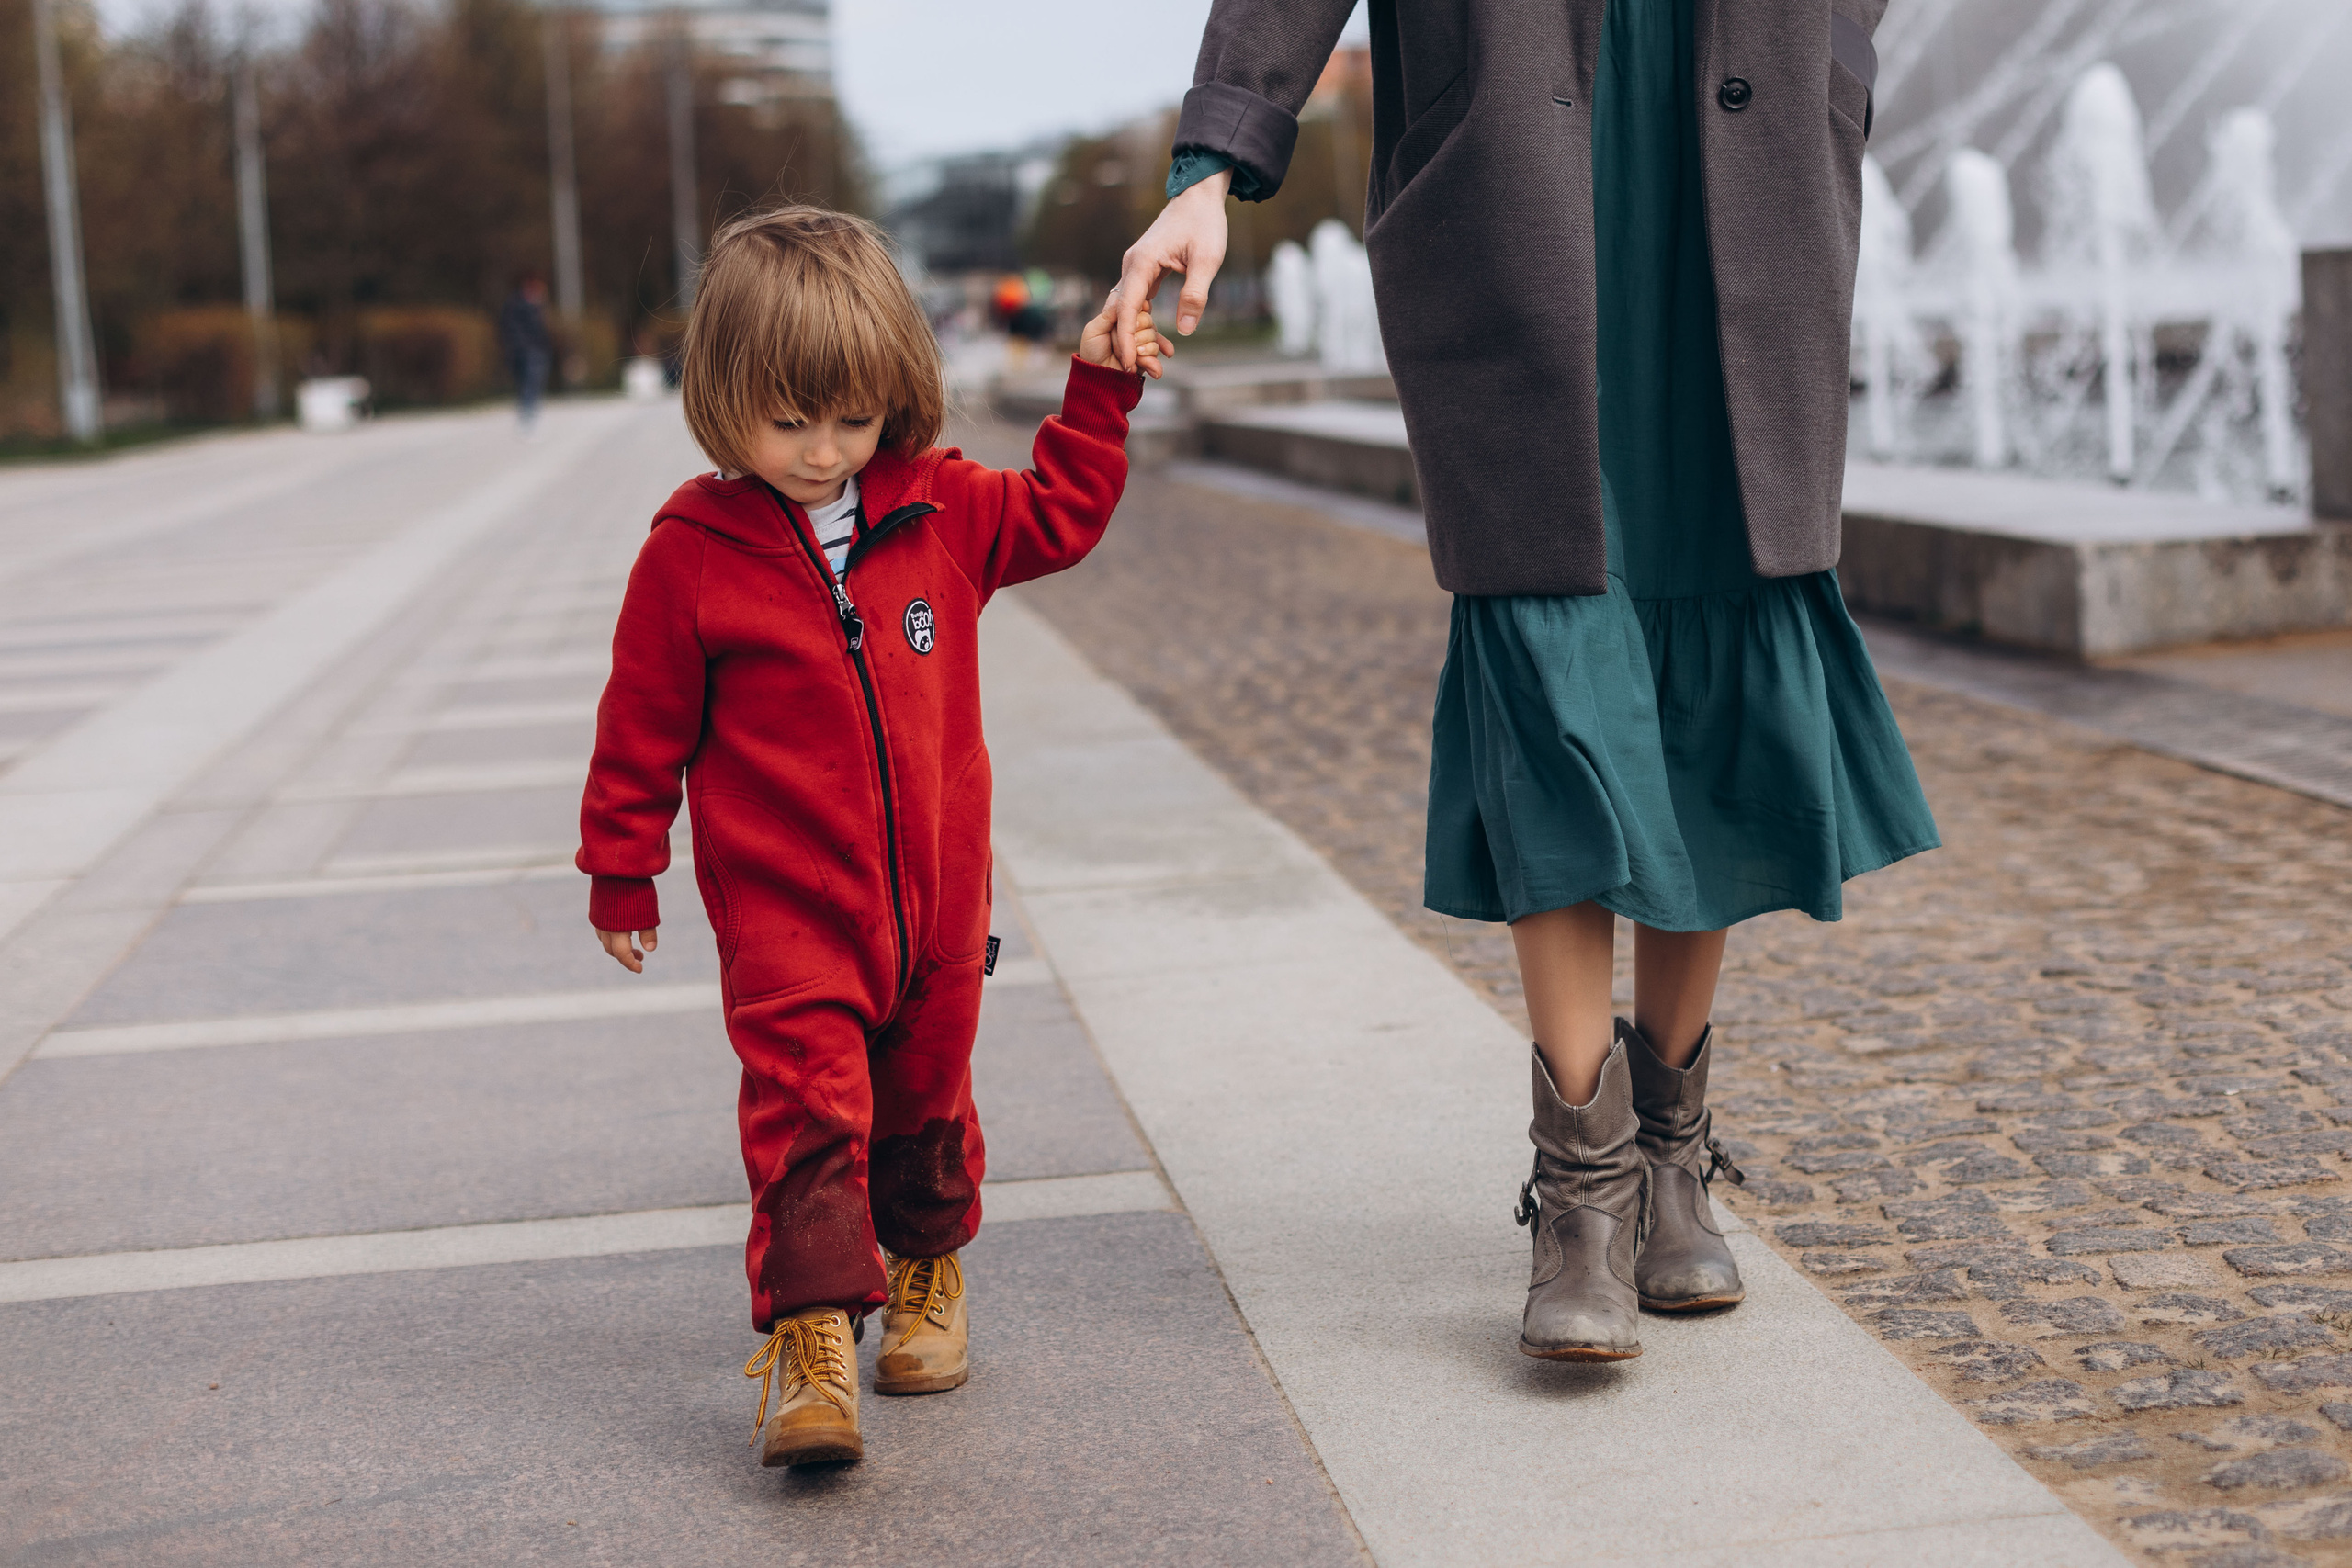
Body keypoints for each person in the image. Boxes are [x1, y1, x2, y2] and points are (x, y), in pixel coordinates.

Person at [1118, 0, 1937, 1361]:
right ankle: (1585, 1193)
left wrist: (1839, 42)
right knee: (1546, 626)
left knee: (1720, 616)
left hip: (1743, 125)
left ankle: (1674, 1157)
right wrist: (1215, 162)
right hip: (1509, 155)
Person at [577, 206, 1169, 1464]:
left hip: (940, 912)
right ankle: (809, 1336)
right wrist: (621, 867)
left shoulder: (939, 510)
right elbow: (639, 726)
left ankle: (928, 1271)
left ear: (892, 395)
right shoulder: (692, 555)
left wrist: (1100, 388)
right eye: (787, 422)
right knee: (807, 1116)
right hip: (791, 918)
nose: (821, 448)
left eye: (848, 417)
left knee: (926, 1104)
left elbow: (1062, 507)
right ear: (723, 403)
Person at [497, 274, 554, 431]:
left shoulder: (537, 306)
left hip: (535, 351)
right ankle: (527, 416)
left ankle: (529, 414)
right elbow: (511, 328)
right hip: (524, 351)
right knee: (528, 383)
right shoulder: (517, 305)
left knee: (533, 383)